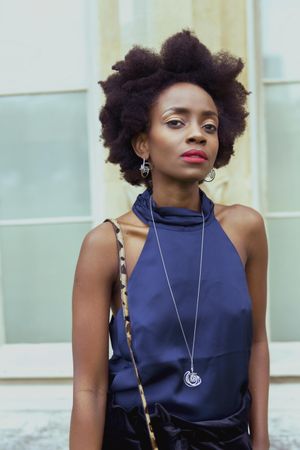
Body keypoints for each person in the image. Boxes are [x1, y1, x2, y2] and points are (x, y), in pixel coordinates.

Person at [69, 29, 270, 450]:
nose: (196, 134)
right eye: (176, 122)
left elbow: (255, 343)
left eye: (209, 125)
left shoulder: (245, 229)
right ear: (142, 143)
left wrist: (262, 442)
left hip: (229, 441)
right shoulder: (109, 243)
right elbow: (89, 388)